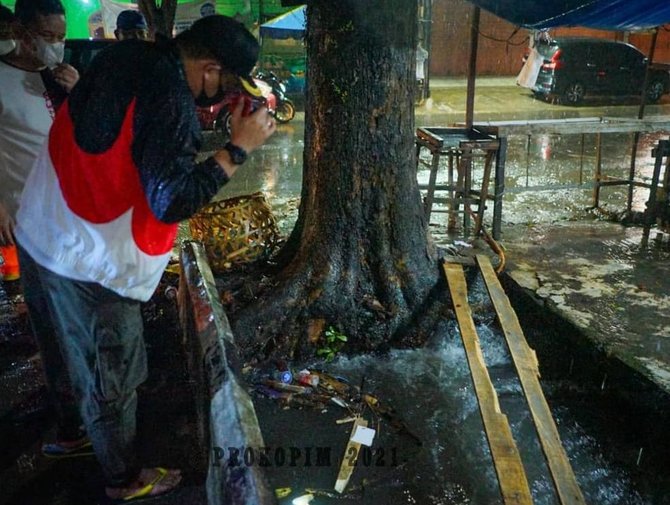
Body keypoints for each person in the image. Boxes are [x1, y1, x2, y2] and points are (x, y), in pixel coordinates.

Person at [14, 14, 275, 503]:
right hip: (93, 259)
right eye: (220, 86)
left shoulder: (122, 56)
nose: (218, 98)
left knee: (61, 348)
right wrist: (238, 149)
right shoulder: (171, 100)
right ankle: (122, 479)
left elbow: (119, 131)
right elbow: (171, 199)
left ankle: (70, 432)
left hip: (40, 228)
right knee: (111, 372)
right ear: (209, 66)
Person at [0, 0, 78, 280]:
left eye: (61, 38)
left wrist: (79, 93)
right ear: (21, 32)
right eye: (48, 37)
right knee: (50, 305)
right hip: (29, 217)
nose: (56, 45)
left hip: (72, 213)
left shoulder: (62, 77)